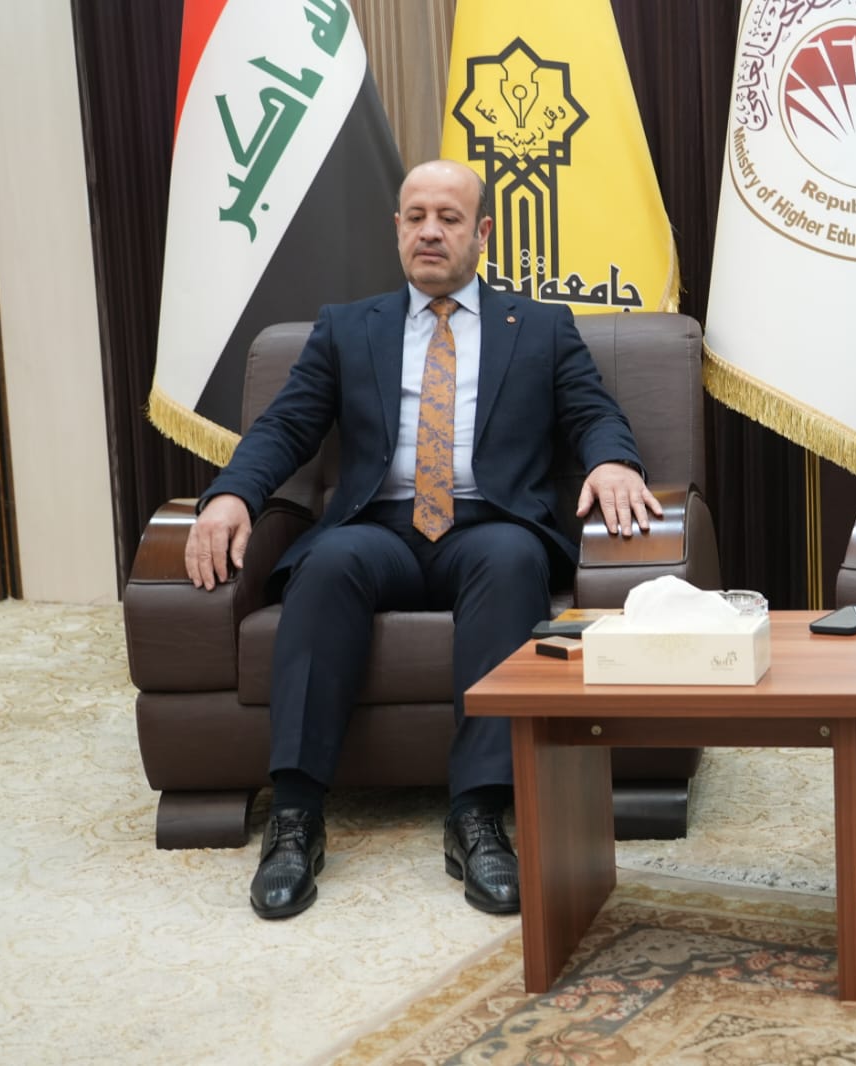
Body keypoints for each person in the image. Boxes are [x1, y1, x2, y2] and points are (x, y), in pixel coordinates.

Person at [184, 159, 661, 920]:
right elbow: (286, 427)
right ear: (398, 229)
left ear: (482, 233)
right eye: (415, 217)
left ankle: (478, 815)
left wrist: (611, 461)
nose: (430, 231)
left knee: (513, 561)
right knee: (326, 565)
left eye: (448, 217)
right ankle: (296, 816)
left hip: (488, 525)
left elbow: (591, 411)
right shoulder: (349, 327)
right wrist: (234, 493)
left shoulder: (539, 326)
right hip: (378, 528)